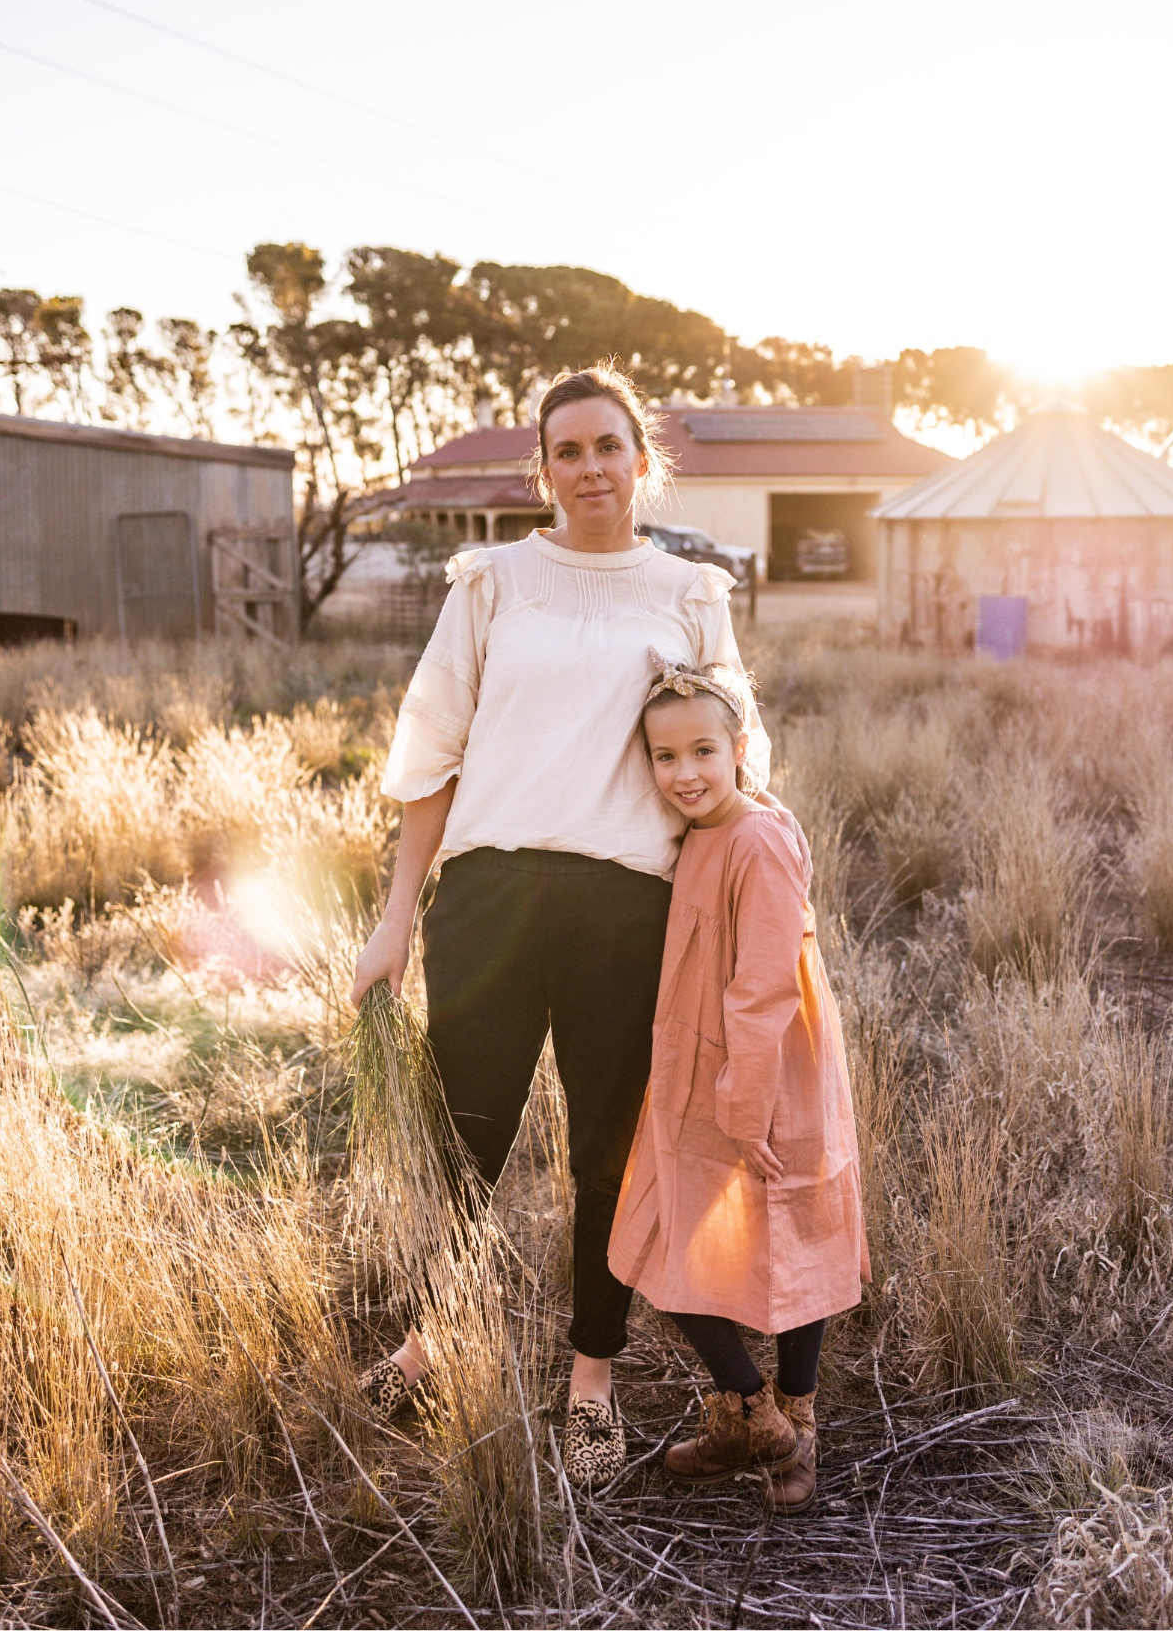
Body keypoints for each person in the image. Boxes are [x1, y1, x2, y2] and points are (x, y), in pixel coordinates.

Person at [348, 364, 767, 1492]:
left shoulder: (689, 593)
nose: (589, 467)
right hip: (487, 898)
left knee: (606, 1152)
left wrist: (748, 918)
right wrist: (395, 919)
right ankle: (433, 1339)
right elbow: (431, 751)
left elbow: (732, 763)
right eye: (567, 450)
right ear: (543, 470)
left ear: (644, 459)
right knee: (462, 1140)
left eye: (608, 445)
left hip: (627, 907)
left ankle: (592, 1377)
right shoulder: (493, 583)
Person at [608, 656, 868, 1515]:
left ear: (740, 746)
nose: (683, 774)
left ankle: (791, 1419)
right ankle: (752, 1417)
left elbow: (763, 983)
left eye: (701, 752)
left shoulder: (755, 837)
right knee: (666, 1240)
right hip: (699, 1064)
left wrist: (746, 1093)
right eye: (664, 757)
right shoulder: (700, 835)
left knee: (789, 1235)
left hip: (759, 1070)